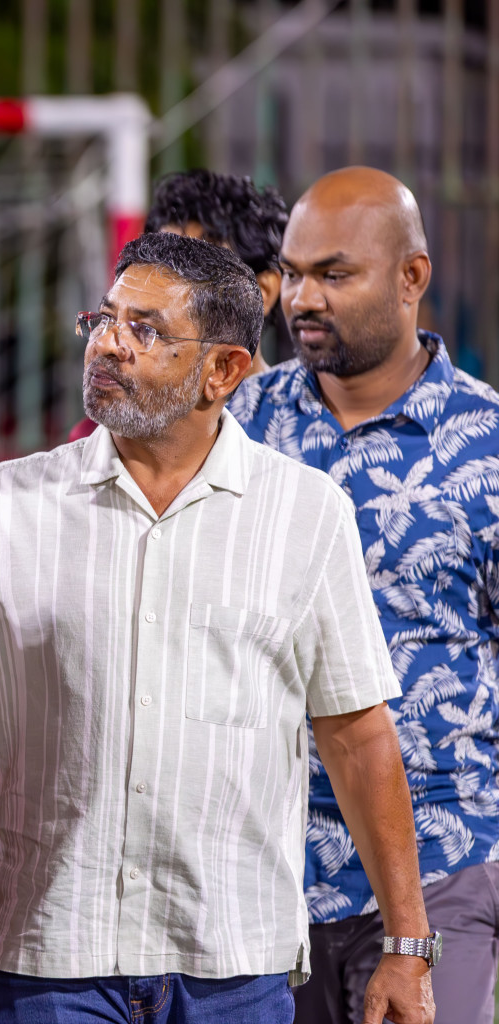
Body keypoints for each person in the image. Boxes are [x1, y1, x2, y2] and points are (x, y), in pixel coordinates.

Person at [0, 231, 436, 1024]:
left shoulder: (306, 516)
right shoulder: (6, 505)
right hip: (55, 964)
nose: (108, 343)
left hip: (235, 966)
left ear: (225, 370)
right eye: (104, 320)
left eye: (145, 329)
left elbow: (358, 735)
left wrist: (407, 945)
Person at [229, 166, 493, 1024]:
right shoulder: (237, 432)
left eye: (334, 275)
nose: (303, 298)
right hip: (260, 868)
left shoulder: (488, 452)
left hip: (444, 855)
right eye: (295, 273)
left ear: (412, 276)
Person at [69, 169, 288, 442]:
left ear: (264, 290)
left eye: (199, 267)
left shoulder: (305, 432)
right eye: (158, 260)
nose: (166, 284)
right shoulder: (99, 437)